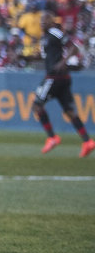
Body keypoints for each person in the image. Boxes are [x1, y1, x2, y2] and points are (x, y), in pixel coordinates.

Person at [33, 9, 94, 157]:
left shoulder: (55, 32)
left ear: (52, 21)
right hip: (62, 78)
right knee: (70, 111)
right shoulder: (45, 36)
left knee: (37, 105)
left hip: (54, 78)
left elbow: (74, 46)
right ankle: (87, 141)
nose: (42, 22)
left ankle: (52, 137)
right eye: (41, 20)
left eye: (45, 20)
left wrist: (63, 62)